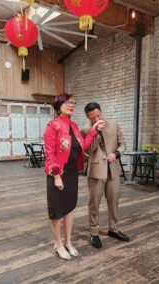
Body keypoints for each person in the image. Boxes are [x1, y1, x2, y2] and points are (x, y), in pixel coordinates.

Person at [43, 93, 105, 260]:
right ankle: (58, 243)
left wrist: (93, 131)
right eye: (67, 102)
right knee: (57, 211)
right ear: (58, 106)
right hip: (58, 172)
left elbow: (82, 147)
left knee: (69, 208)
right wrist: (56, 176)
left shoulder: (75, 126)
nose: (71, 105)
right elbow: (50, 154)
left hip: (72, 173)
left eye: (72, 102)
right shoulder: (53, 125)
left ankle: (68, 241)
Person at [82, 102, 129, 249]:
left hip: (113, 169)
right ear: (88, 117)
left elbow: (122, 144)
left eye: (98, 115)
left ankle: (113, 229)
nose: (96, 118)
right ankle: (94, 232)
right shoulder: (85, 129)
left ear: (101, 112)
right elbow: (89, 151)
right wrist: (95, 131)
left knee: (114, 201)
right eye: (92, 117)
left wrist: (116, 154)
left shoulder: (114, 124)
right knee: (94, 203)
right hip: (96, 171)